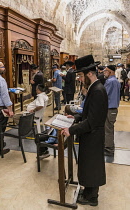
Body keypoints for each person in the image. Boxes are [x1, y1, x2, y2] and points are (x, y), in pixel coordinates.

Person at [62, 55, 108, 206]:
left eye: (81, 75)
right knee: (88, 164)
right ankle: (88, 191)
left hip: (93, 135)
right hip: (90, 134)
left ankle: (92, 197)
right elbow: (88, 112)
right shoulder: (94, 88)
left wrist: (71, 129)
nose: (80, 79)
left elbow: (92, 121)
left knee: (92, 165)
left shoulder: (97, 90)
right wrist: (74, 116)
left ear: (89, 74)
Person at [104, 65, 121, 156]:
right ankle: (109, 146)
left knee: (108, 129)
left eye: (106, 71)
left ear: (110, 71)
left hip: (110, 108)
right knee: (109, 128)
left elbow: (104, 94)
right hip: (112, 108)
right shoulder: (116, 81)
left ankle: (109, 149)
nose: (104, 72)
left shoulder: (110, 82)